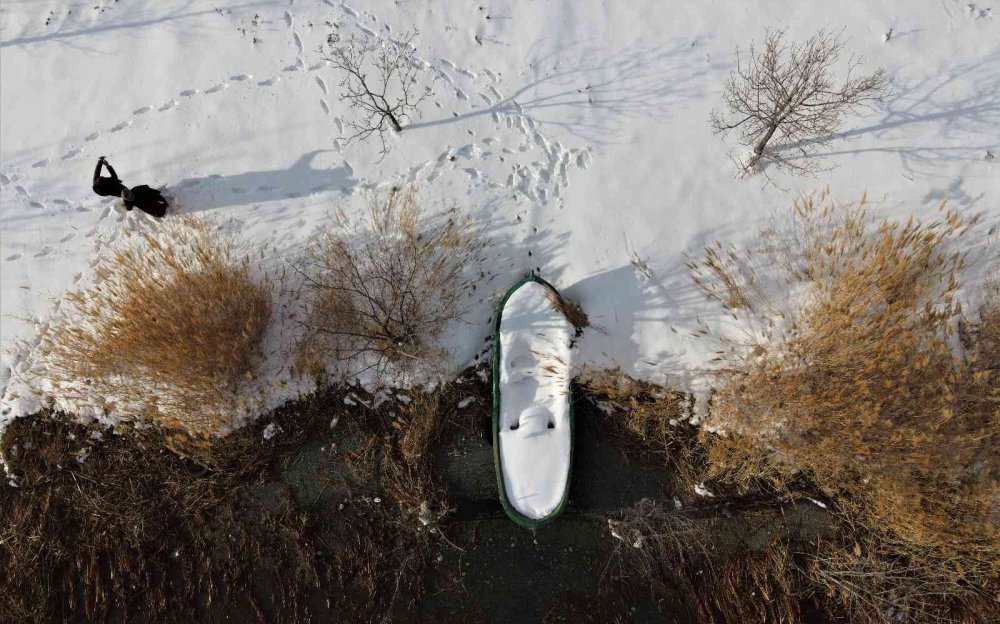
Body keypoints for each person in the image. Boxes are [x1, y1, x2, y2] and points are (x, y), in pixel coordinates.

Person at [91, 157, 169, 218]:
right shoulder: (136, 190)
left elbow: (97, 171)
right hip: (160, 209)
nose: (103, 177)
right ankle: (125, 194)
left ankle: (125, 196)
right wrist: (108, 166)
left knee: (127, 197)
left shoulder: (96, 183)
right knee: (128, 193)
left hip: (155, 212)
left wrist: (100, 161)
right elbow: (114, 176)